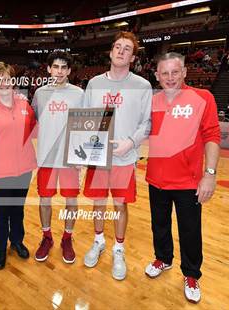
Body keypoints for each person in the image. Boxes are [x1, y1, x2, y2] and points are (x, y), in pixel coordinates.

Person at [145, 52, 220, 303]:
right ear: (157, 75)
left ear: (185, 72)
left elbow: (212, 137)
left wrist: (209, 174)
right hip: (156, 179)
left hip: (189, 182)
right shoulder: (151, 101)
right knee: (159, 224)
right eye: (164, 73)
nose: (170, 78)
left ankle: (191, 273)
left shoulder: (203, 97)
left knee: (190, 230)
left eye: (175, 72)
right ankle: (164, 258)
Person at [82, 31, 152, 280]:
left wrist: (130, 142)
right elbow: (85, 119)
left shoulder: (142, 86)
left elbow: (147, 123)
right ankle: (98, 241)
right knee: (98, 203)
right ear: (111, 52)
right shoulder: (94, 83)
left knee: (120, 205)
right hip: (97, 157)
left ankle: (118, 248)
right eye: (118, 47)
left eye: (127, 49)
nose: (121, 51)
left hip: (124, 158)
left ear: (132, 57)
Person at [0, 62, 37, 270]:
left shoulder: (24, 105)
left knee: (18, 209)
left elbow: (34, 131)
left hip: (24, 170)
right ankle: (0, 248)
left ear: (13, 81)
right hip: (0, 172)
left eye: (7, 78)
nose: (3, 83)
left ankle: (17, 241)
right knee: (2, 212)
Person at [31, 51, 84, 264]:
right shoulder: (39, 94)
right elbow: (31, 121)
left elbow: (86, 125)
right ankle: (47, 237)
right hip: (46, 157)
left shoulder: (79, 93)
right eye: (56, 67)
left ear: (69, 71)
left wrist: (83, 155)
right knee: (45, 200)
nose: (59, 71)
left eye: (64, 67)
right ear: (49, 69)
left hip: (70, 158)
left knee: (71, 201)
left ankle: (67, 238)